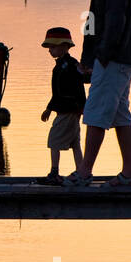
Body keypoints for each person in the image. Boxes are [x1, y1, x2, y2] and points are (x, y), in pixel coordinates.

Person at [68, 0, 131, 189]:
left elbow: (115, 21)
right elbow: (92, 23)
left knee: (96, 112)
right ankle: (129, 175)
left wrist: (102, 57)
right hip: (115, 58)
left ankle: (84, 172)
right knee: (121, 115)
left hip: (114, 59)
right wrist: (87, 59)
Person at [39, 26, 85, 183]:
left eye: (52, 47)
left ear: (64, 46)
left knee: (54, 140)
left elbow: (66, 90)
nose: (50, 50)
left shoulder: (68, 67)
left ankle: (54, 172)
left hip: (67, 110)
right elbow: (58, 92)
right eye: (49, 47)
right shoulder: (65, 65)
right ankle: (81, 170)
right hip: (73, 109)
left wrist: (50, 108)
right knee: (74, 142)